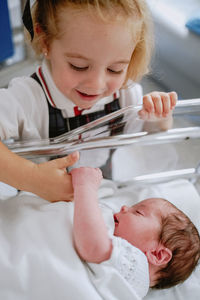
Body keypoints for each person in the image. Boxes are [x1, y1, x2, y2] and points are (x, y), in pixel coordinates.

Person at [0, 0, 177, 202]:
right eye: (79, 66)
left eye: (115, 69)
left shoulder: (126, 95)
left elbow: (154, 132)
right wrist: (31, 177)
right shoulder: (27, 98)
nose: (96, 85)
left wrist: (159, 116)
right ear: (45, 42)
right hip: (38, 208)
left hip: (101, 200)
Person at [71, 167, 200, 298]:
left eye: (138, 212)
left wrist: (85, 186)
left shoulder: (136, 268)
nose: (124, 207)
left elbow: (94, 247)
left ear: (157, 254)